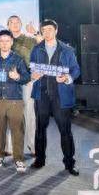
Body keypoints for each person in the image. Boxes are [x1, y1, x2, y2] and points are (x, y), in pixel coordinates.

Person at [29, 19, 81, 176]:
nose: (47, 32)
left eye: (50, 29)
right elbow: (32, 68)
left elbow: (76, 70)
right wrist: (33, 75)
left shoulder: (67, 50)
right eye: (44, 30)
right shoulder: (36, 49)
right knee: (40, 129)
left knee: (65, 130)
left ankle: (69, 163)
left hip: (61, 96)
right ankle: (39, 159)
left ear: (56, 31)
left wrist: (67, 78)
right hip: (41, 94)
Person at [0, 15, 43, 156]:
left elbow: (43, 48)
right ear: (7, 25)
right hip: (7, 84)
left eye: (17, 22)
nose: (15, 24)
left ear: (21, 24)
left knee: (29, 114)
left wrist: (36, 33)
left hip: (26, 81)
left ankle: (32, 145)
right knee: (9, 115)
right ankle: (10, 147)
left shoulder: (30, 40)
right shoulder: (1, 42)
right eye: (11, 22)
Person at [0, 30, 31, 173]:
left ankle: (19, 159)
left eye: (7, 41)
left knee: (17, 131)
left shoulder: (18, 59)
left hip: (14, 100)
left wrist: (17, 77)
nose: (4, 43)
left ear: (11, 42)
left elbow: (26, 77)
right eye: (2, 41)